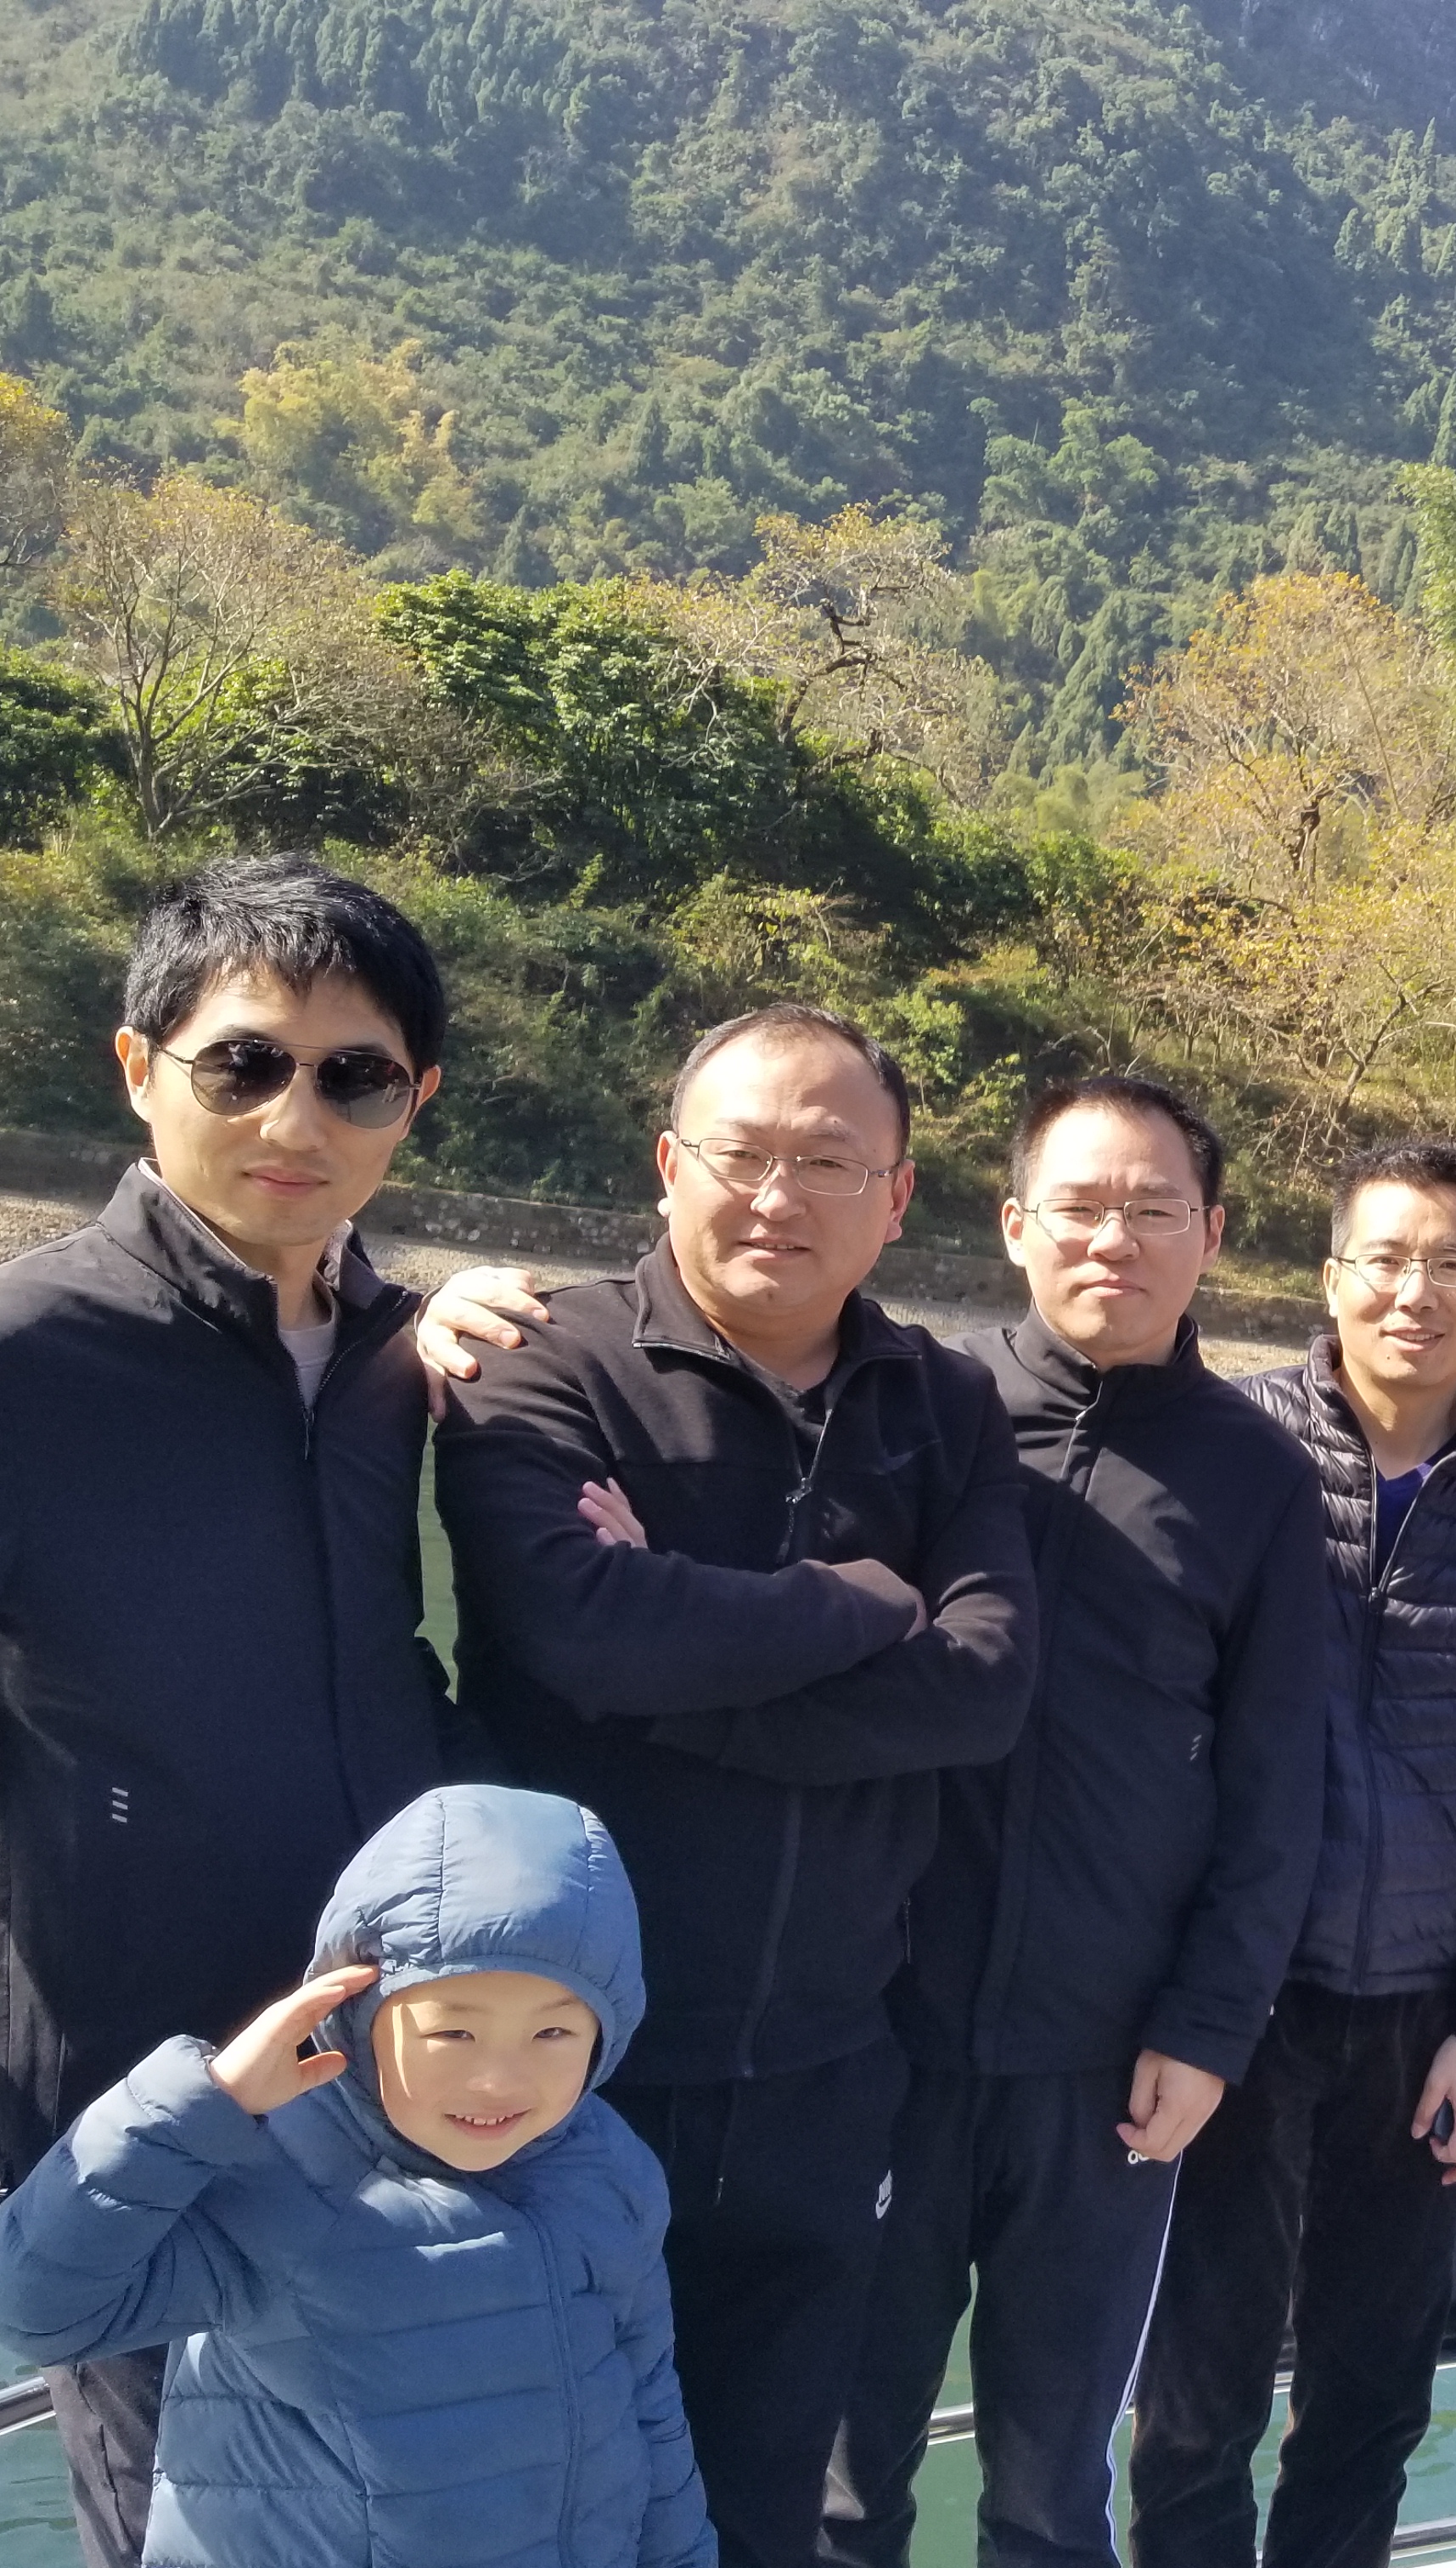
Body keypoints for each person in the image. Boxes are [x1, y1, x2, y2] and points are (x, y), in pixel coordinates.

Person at [433, 1001, 1037, 2568]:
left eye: (828, 1162)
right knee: (522, 2509)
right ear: (666, 1163)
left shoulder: (943, 1401)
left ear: (897, 1197)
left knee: (760, 2516)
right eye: (741, 1153)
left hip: (826, 2077)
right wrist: (866, 1596)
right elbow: (582, 1631)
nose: (779, 1195)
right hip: (554, 2069)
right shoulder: (541, 1361)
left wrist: (673, 1686)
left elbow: (983, 1683)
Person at [0, 853, 453, 2568]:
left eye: (355, 1077)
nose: (296, 1117)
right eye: (245, 1062)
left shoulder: (406, 1355)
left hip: (396, 2085)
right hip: (142, 2105)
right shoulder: (30, 1355)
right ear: (140, 1067)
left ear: (413, 1102)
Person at [819, 1078, 1328, 2568]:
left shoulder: (1256, 1473)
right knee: (837, 2480)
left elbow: (1275, 1784)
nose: (1116, 1238)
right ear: (1013, 1223)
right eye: (1082, 1206)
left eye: (1155, 1207)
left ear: (1212, 1235)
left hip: (1110, 2069)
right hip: (880, 2037)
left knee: (1050, 2497)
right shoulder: (916, 1408)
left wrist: (1209, 2027)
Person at [1129, 1138, 1456, 2568]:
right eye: (1384, 1258)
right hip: (1235, 1998)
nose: (1415, 1291)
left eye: (1452, 1263)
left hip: (1418, 2014)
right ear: (1329, 1276)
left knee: (1373, 2390)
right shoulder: (1235, 1444)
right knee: (1198, 2394)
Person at [0, 1783, 714, 2568]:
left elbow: (650, 2408)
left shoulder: (607, 2164)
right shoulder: (277, 2171)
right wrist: (202, 2102)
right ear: (354, 2013)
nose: (499, 2080)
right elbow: (36, 2310)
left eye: (553, 2033)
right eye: (454, 2032)